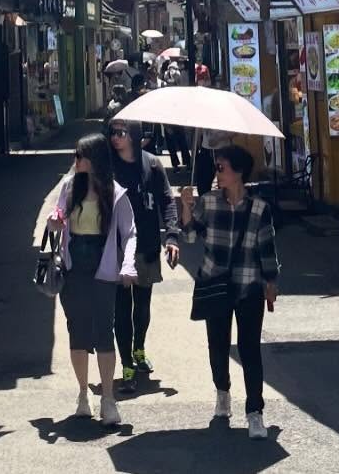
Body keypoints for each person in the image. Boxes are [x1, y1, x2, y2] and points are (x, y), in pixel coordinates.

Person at [180, 144, 278, 441]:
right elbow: (189, 235)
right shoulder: (208, 203)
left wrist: (271, 283)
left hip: (249, 286)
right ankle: (222, 392)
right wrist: (186, 205)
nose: (216, 173)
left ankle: (255, 412)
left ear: (238, 173)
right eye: (216, 168)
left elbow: (267, 249)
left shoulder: (260, 208)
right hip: (215, 283)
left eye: (221, 168)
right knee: (218, 346)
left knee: (249, 349)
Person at [48, 132, 138, 425]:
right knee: (77, 329)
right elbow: (58, 218)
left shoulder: (114, 192)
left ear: (93, 159)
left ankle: (108, 399)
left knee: (104, 330)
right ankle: (83, 395)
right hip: (74, 265)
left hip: (103, 262)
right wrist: (54, 222)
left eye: (79, 156)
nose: (74, 161)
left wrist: (128, 265)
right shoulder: (69, 186)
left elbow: (130, 232)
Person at [108, 120, 181, 394]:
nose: (115, 138)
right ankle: (126, 363)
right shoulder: (108, 168)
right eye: (112, 133)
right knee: (120, 311)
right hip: (116, 249)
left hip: (147, 245)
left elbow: (166, 201)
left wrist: (172, 236)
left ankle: (139, 348)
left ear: (135, 136)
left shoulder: (152, 165)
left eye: (121, 133)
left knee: (142, 307)